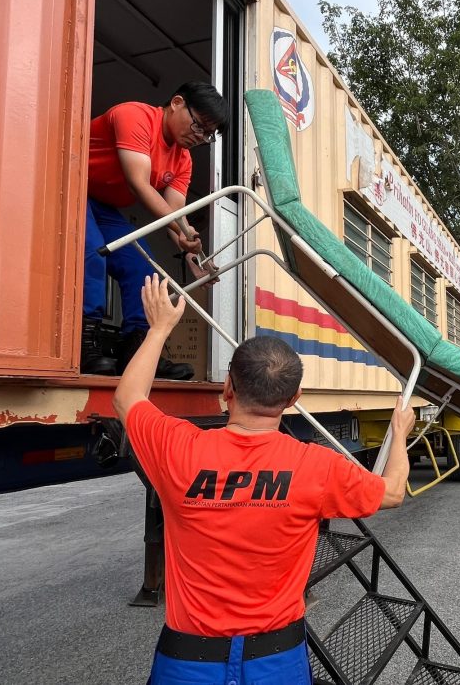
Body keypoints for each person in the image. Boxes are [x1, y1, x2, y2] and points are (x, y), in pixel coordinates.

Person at [113, 274, 416, 684]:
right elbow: (394, 492)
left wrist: (161, 327)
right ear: (293, 399)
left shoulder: (177, 449)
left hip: (185, 663)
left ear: (227, 388)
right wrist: (399, 435)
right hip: (277, 662)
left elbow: (128, 397)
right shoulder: (317, 466)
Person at [83, 81, 229, 378]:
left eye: (207, 135)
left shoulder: (183, 159)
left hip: (104, 207)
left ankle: (136, 350)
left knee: (144, 268)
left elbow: (175, 213)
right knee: (92, 252)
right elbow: (139, 183)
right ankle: (86, 346)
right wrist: (185, 233)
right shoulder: (134, 116)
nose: (199, 137)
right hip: (72, 187)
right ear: (176, 103)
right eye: (198, 126)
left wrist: (191, 253)